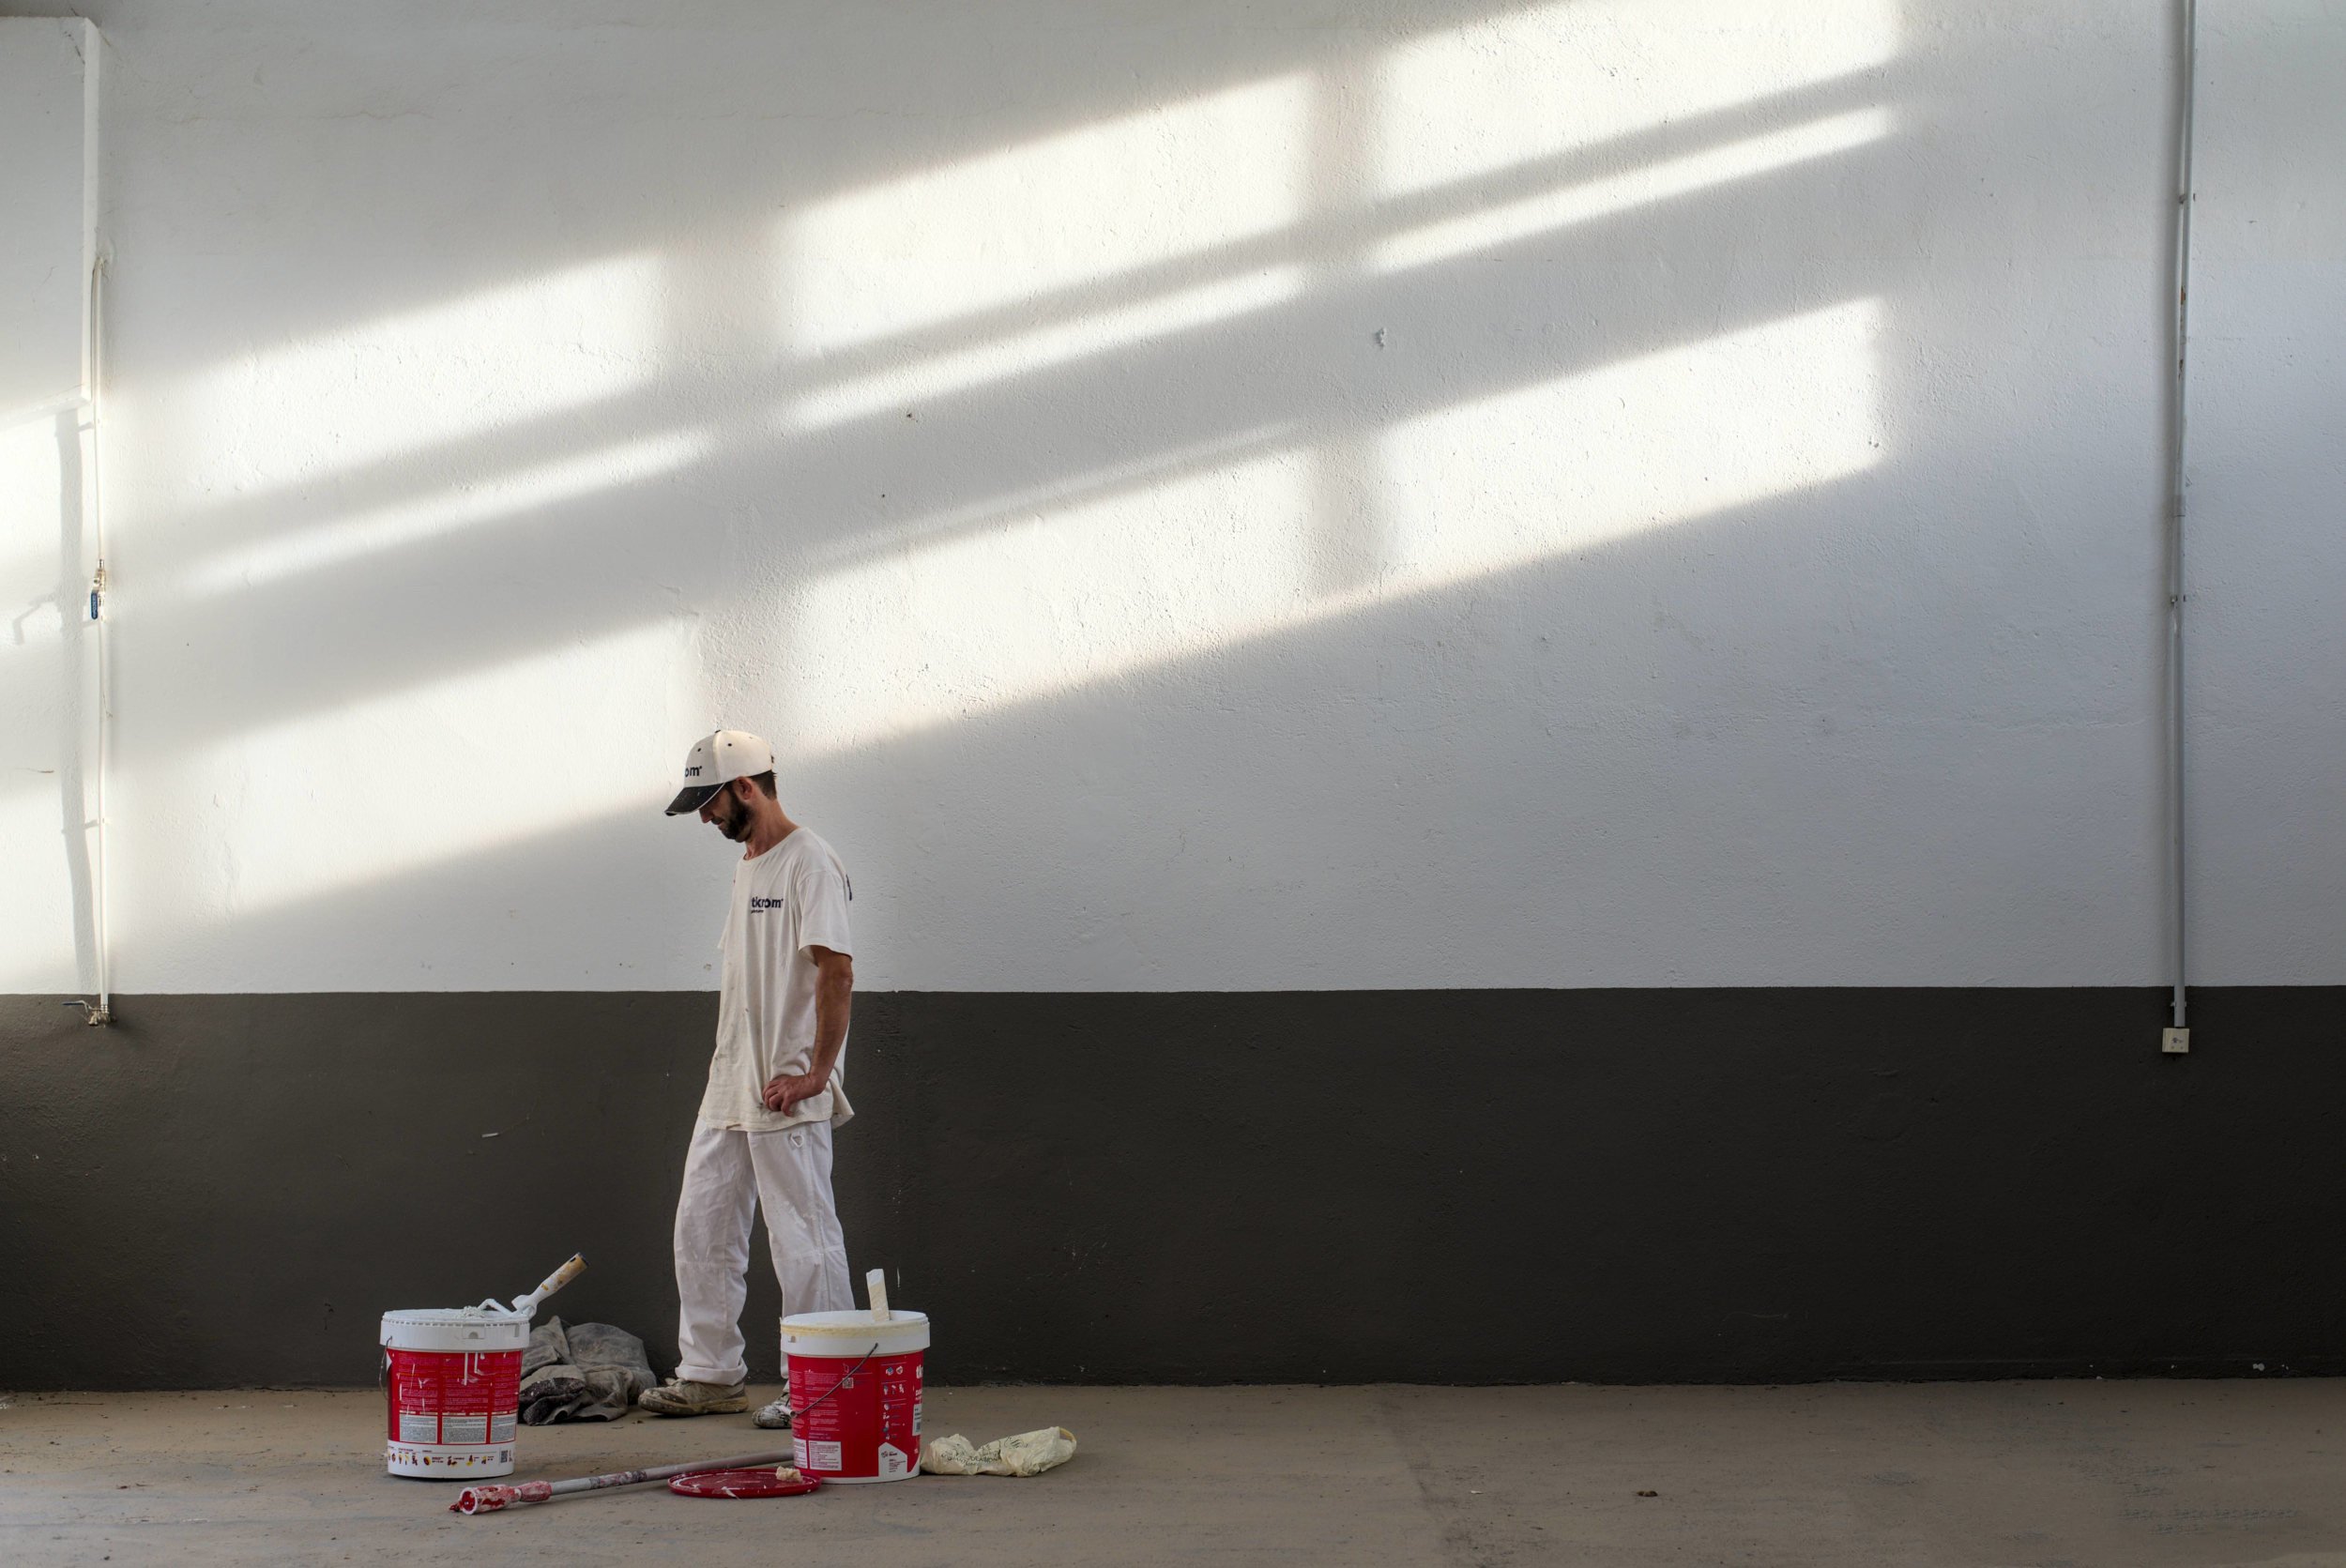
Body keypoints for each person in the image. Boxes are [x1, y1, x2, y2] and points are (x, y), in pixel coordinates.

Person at [638, 729, 857, 1427]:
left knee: (804, 1236)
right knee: (700, 1226)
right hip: (731, 1080)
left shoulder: (810, 863)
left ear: (745, 787)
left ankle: (823, 1379)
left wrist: (817, 1073)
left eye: (709, 802)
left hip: (785, 1085)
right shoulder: (749, 863)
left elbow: (836, 970)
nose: (705, 817)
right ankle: (710, 1373)